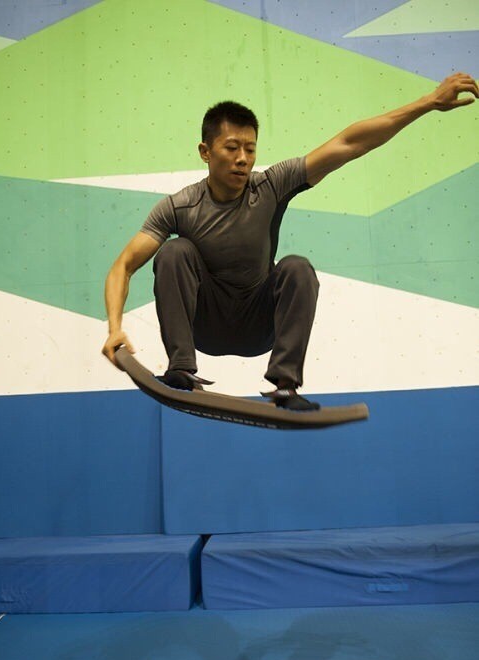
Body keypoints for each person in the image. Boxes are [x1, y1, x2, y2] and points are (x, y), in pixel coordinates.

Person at [103, 73, 477, 411]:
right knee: (174, 251)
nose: (243, 159)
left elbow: (350, 143)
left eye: (250, 149)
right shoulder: (179, 207)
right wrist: (114, 328)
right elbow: (123, 266)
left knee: (297, 266)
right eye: (231, 148)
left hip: (261, 322)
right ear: (205, 152)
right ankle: (180, 368)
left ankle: (285, 386)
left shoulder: (271, 185)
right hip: (206, 323)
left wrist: (427, 103)